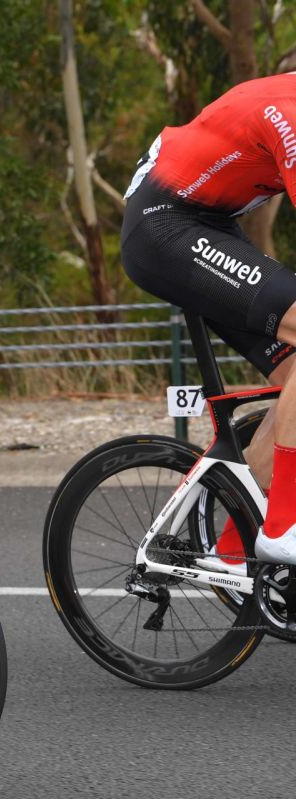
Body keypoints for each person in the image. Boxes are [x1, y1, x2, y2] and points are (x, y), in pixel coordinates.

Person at [121, 73, 296, 570]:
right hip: (166, 225)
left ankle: (236, 546)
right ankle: (282, 527)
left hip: (207, 224)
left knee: (293, 375)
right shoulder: (289, 113)